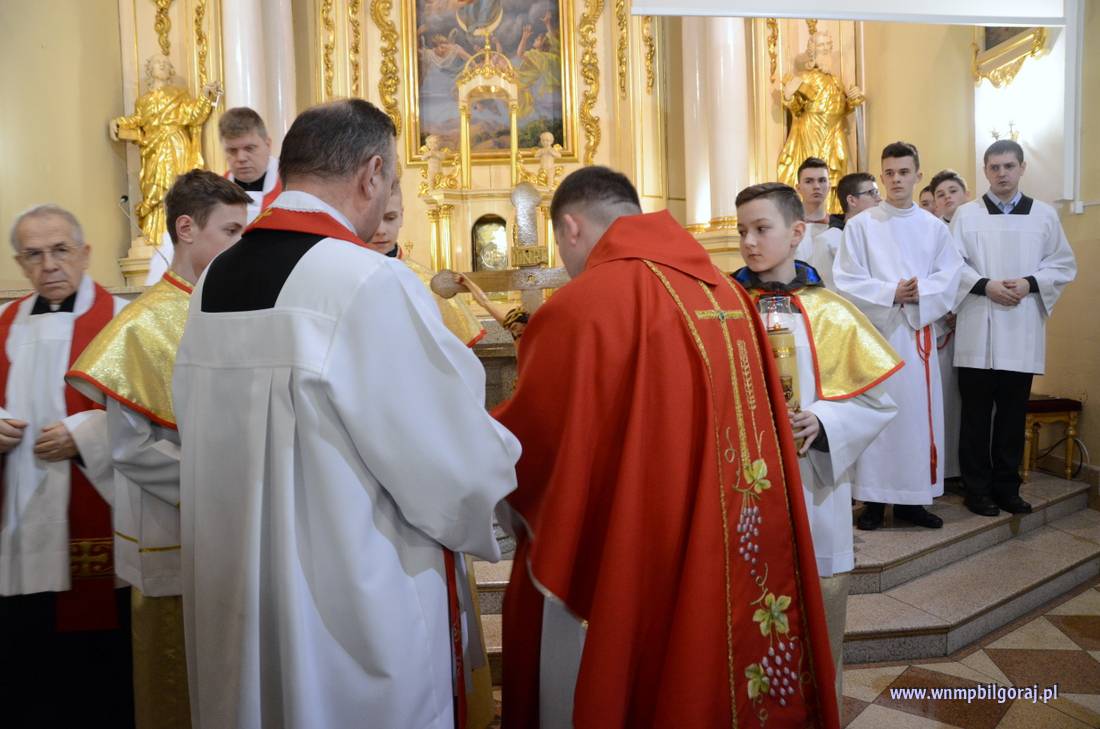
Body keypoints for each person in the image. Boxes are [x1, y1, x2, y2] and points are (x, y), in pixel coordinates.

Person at [172, 99, 520, 729]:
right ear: (371, 173)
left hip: (243, 599)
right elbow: (451, 464)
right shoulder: (365, 280)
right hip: (351, 613)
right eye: (391, 180)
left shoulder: (213, 280)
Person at [493, 166, 840, 729]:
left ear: (571, 228)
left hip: (633, 547)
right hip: (729, 539)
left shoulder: (581, 305)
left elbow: (532, 445)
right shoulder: (729, 294)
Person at [66, 171, 251, 729]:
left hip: (237, 531)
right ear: (187, 228)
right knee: (177, 686)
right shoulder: (141, 326)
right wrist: (225, 490)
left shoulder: (231, 309)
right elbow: (131, 449)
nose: (242, 245)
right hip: (174, 533)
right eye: (232, 231)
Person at [733, 182, 900, 710]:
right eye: (742, 231)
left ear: (797, 232)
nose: (749, 242)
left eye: (762, 229)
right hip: (741, 484)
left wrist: (825, 421)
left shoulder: (832, 311)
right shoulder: (725, 312)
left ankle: (818, 709)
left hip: (814, 484)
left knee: (817, 607)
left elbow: (878, 403)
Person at [363, 181, 496, 729]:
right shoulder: (342, 284)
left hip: (428, 465)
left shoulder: (424, 285)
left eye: (393, 218)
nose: (382, 229)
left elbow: (461, 387)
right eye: (377, 216)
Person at [0, 205, 131, 727]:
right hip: (16, 522)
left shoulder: (122, 321)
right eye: (33, 255)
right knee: (26, 666)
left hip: (95, 510)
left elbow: (158, 418)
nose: (49, 265)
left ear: (85, 253)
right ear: (20, 263)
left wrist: (85, 436)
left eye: (60, 250)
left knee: (97, 677)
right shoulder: (1, 324)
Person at [833, 141, 964, 531]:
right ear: (881, 177)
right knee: (878, 418)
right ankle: (873, 501)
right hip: (876, 336)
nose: (896, 180)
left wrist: (919, 293)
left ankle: (912, 501)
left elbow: (950, 275)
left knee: (915, 421)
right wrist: (891, 292)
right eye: (889, 173)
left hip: (915, 335)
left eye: (904, 172)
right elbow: (845, 279)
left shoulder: (933, 228)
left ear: (918, 175)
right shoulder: (860, 226)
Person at [950, 140, 1077, 516]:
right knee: (975, 417)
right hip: (977, 326)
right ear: (985, 171)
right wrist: (984, 285)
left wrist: (1029, 283)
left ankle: (1007, 488)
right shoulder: (966, 215)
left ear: (1022, 168)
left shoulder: (1044, 215)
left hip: (1021, 329)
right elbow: (949, 265)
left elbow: (1062, 264)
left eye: (1008, 166)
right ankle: (977, 490)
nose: (1002, 173)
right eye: (994, 167)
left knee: (1011, 416)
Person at [365, 182, 486, 348]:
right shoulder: (340, 277)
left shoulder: (431, 286)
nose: (381, 230)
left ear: (401, 216)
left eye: (390, 218)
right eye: (372, 219)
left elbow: (453, 355)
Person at [929, 169, 971, 482]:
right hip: (944, 325)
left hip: (976, 322)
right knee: (945, 399)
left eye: (953, 191)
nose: (947, 198)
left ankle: (972, 468)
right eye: (940, 194)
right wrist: (946, 310)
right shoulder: (932, 233)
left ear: (966, 194)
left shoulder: (978, 227)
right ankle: (946, 469)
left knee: (974, 403)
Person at [810, 172, 879, 290]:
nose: (879, 199)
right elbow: (827, 291)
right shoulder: (827, 240)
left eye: (877, 192)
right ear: (852, 200)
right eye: (872, 193)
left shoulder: (880, 237)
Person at [221, 107, 283, 223]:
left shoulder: (290, 185)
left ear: (268, 145)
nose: (241, 158)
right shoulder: (217, 191)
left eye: (249, 148)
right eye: (232, 150)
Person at [793, 157, 832, 262]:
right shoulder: (788, 228)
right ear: (798, 188)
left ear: (829, 186)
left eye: (822, 180)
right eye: (809, 181)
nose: (816, 186)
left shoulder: (840, 227)